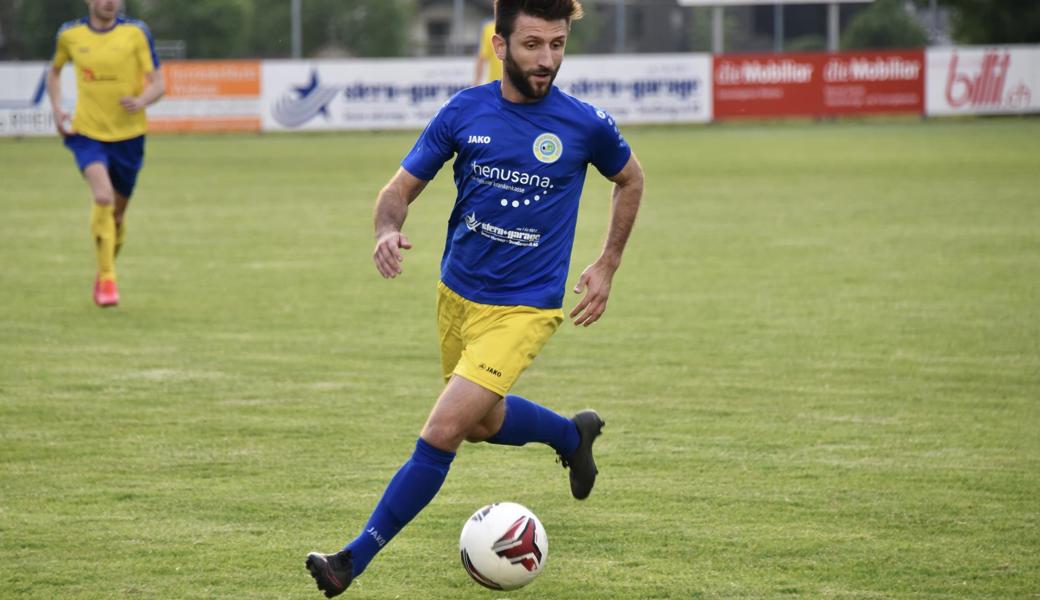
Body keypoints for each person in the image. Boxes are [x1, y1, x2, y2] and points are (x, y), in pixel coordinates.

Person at [306, 0, 644, 596]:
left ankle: (350, 560)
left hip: (526, 308)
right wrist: (386, 229)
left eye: (558, 45)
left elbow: (630, 178)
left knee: (442, 431)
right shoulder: (464, 112)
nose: (547, 60)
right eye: (533, 44)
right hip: (457, 298)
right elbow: (399, 189)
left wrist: (607, 262)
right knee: (483, 423)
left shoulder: (585, 124)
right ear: (499, 45)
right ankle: (572, 436)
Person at [47, 0, 164, 307]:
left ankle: (102, 271)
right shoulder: (69, 35)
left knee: (117, 215)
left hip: (129, 135)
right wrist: (57, 109)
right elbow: (54, 72)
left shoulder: (137, 33)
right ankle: (109, 280)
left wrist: (142, 100)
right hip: (86, 133)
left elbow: (159, 84)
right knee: (103, 197)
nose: (110, 2)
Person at [473, 18, 503, 84]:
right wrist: (476, 84)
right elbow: (481, 57)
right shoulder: (489, 28)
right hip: (496, 86)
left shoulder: (522, 26)